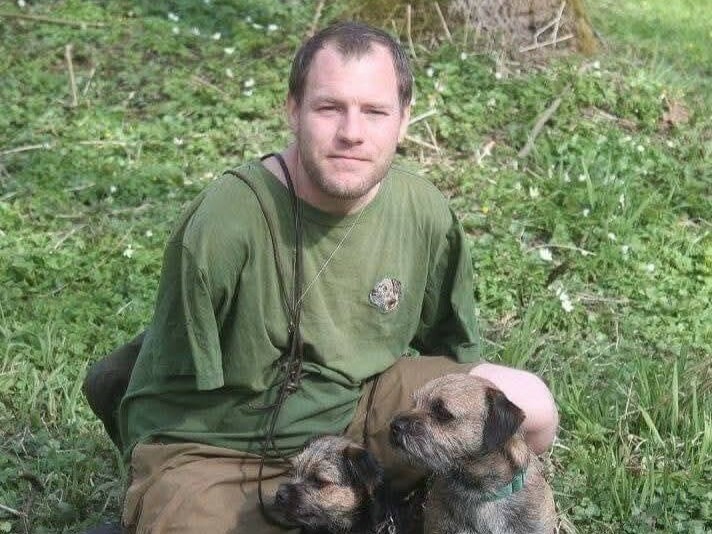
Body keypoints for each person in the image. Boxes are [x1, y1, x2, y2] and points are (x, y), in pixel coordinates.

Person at [83, 21, 558, 534]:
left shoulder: (422, 211)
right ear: (293, 110)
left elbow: (457, 362)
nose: (352, 132)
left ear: (404, 119)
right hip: (220, 440)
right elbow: (166, 392)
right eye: (330, 107)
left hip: (356, 404)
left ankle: (427, 508)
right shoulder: (226, 223)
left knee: (531, 406)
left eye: (374, 111)